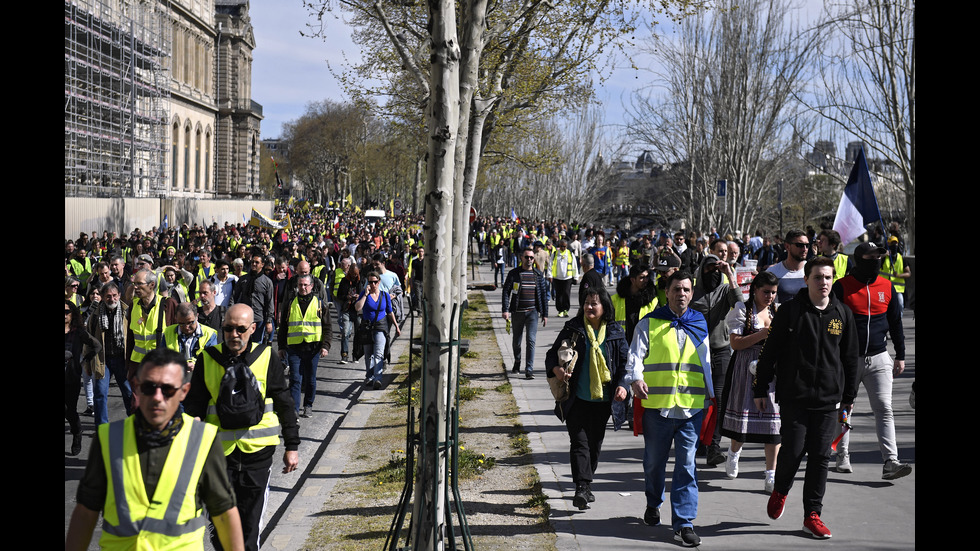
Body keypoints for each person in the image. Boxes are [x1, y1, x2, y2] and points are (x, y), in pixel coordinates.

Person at [65, 348, 245, 551]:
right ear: (137, 387)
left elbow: (224, 513)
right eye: (149, 387)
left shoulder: (202, 439)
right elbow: (86, 511)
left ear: (184, 391)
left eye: (168, 389)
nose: (158, 397)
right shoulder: (108, 439)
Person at [754, 256, 859, 540]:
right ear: (806, 280)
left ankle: (812, 515)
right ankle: (781, 489)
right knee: (793, 451)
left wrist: (849, 396)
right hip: (794, 397)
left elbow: (851, 359)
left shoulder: (842, 313)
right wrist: (760, 388)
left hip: (828, 400)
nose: (823, 282)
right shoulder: (790, 312)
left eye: (827, 277)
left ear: (832, 280)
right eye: (817, 277)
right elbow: (769, 352)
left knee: (821, 457)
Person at [183, 304, 300, 551]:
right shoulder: (207, 359)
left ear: (253, 329)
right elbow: (193, 408)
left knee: (249, 528)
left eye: (240, 329)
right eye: (228, 329)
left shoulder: (267, 357)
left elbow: (285, 403)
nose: (233, 335)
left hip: (257, 455)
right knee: (221, 530)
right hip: (218, 457)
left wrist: (292, 446)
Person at [626, 270, 714, 547]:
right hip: (658, 409)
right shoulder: (649, 324)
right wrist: (636, 379)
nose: (682, 294)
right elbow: (634, 358)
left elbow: (707, 363)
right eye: (677, 289)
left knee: (686, 466)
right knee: (654, 464)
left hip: (691, 409)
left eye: (687, 290)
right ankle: (653, 503)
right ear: (667, 291)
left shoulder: (699, 323)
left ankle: (684, 523)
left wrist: (712, 396)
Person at [831, 242, 912, 479]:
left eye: (879, 256)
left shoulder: (886, 286)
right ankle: (842, 454)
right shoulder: (841, 287)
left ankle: (891, 461)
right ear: (859, 259)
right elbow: (832, 324)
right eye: (871, 256)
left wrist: (901, 355)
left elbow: (896, 323)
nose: (876, 260)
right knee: (846, 408)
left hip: (879, 358)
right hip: (848, 360)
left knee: (885, 409)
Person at [545, 287, 629, 510]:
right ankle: (582, 487)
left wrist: (622, 386)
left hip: (603, 401)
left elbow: (624, 364)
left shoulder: (614, 332)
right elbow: (551, 354)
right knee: (579, 443)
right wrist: (557, 370)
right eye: (586, 303)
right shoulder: (573, 329)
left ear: (604, 307)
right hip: (576, 399)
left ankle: (586, 484)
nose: (589, 307)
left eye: (594, 303)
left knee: (595, 444)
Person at [720, 271, 780, 492]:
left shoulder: (777, 311)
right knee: (743, 422)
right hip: (746, 368)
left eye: (773, 292)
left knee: (774, 424)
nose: (770, 296)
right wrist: (763, 334)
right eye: (766, 292)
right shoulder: (741, 310)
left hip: (771, 370)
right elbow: (735, 344)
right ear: (755, 289)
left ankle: (770, 475)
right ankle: (734, 453)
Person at [690, 254, 743, 468]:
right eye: (709, 268)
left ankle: (714, 446)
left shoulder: (724, 290)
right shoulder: (693, 292)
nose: (713, 272)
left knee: (720, 400)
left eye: (716, 269)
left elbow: (739, 304)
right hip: (696, 352)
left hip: (721, 350)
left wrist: (730, 275)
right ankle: (698, 441)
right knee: (697, 401)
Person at [279, 274, 332, 417]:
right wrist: (281, 347)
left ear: (311, 286)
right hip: (294, 348)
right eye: (300, 285)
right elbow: (283, 326)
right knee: (295, 379)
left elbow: (327, 327)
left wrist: (325, 346)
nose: (302, 288)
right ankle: (295, 410)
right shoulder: (291, 303)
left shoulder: (320, 304)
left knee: (310, 379)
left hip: (313, 349)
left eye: (305, 285)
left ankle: (308, 404)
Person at [86, 282, 134, 426]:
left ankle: (133, 423)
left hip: (122, 359)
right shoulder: (95, 314)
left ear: (119, 295)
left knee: (128, 393)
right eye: (108, 296)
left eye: (114, 295)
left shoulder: (127, 312)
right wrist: (87, 363)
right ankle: (102, 426)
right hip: (103, 360)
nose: (111, 299)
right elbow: (88, 340)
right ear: (102, 297)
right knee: (100, 393)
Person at [502, 247, 549, 379]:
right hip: (517, 312)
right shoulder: (514, 274)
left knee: (531, 341)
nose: (529, 260)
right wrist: (505, 310)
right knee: (517, 341)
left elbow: (543, 296)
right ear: (521, 258)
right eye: (526, 257)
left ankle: (529, 369)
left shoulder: (538, 275)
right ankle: (517, 362)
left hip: (532, 313)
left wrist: (545, 314)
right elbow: (506, 291)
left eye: (531, 257)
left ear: (534, 259)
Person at [66, 300, 102, 456]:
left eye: (66, 312)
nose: (64, 315)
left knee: (69, 411)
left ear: (72, 314)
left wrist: (85, 360)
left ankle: (77, 433)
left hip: (72, 378)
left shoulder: (78, 332)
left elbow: (97, 345)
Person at [356, 271, 401, 389]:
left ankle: (377, 378)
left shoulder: (385, 295)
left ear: (379, 282)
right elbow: (357, 308)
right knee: (368, 355)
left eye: (374, 282)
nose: (372, 284)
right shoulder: (364, 294)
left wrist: (396, 326)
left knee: (379, 354)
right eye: (370, 282)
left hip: (380, 327)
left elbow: (390, 312)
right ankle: (369, 377)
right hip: (367, 328)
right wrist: (365, 295)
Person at [231, 254, 275, 344]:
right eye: (252, 262)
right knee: (242, 342)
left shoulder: (267, 282)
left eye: (257, 262)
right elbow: (234, 297)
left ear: (262, 265)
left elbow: (270, 302)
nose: (254, 264)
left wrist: (269, 321)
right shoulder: (243, 279)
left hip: (259, 319)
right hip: (244, 318)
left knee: (256, 345)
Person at [163, 301, 218, 372]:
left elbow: (212, 361)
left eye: (190, 322)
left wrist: (196, 365)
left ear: (197, 316)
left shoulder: (209, 334)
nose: (186, 327)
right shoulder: (168, 332)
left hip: (200, 377)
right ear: (176, 318)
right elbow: (162, 358)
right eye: (181, 323)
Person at [610, 261, 659, 341]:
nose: (646, 280)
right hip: (621, 343)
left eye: (647, 277)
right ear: (632, 280)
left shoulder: (653, 301)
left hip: (643, 344)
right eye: (642, 277)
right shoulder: (615, 300)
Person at [767, 230, 808, 305]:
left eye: (807, 245)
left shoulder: (812, 270)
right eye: (800, 245)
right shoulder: (772, 272)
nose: (804, 249)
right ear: (787, 246)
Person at [551, 239, 579, 317]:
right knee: (559, 295)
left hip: (568, 278)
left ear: (566, 246)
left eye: (564, 246)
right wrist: (550, 275)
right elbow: (551, 265)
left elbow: (574, 266)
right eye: (561, 246)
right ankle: (560, 310)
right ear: (559, 246)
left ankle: (566, 310)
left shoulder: (570, 254)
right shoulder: (555, 254)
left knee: (566, 294)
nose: (563, 248)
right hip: (557, 278)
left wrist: (575, 276)